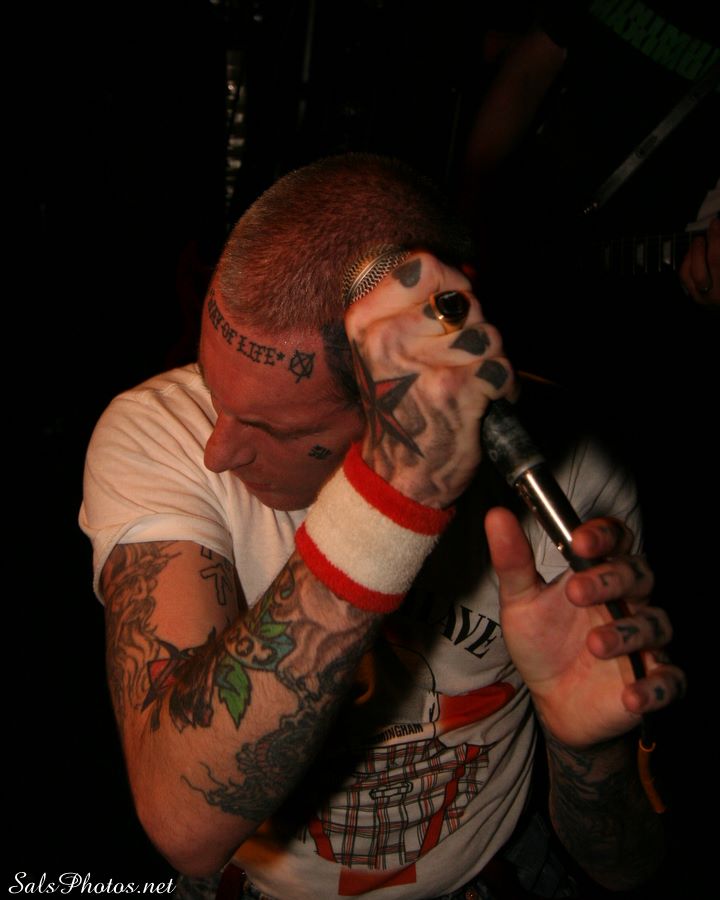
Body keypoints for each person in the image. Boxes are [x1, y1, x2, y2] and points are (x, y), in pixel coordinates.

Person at [79, 153, 683, 899]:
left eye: (275, 427)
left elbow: (625, 866)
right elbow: (184, 824)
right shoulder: (155, 432)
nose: (219, 450)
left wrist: (591, 752)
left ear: (405, 389)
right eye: (214, 390)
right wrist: (396, 494)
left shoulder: (575, 465)